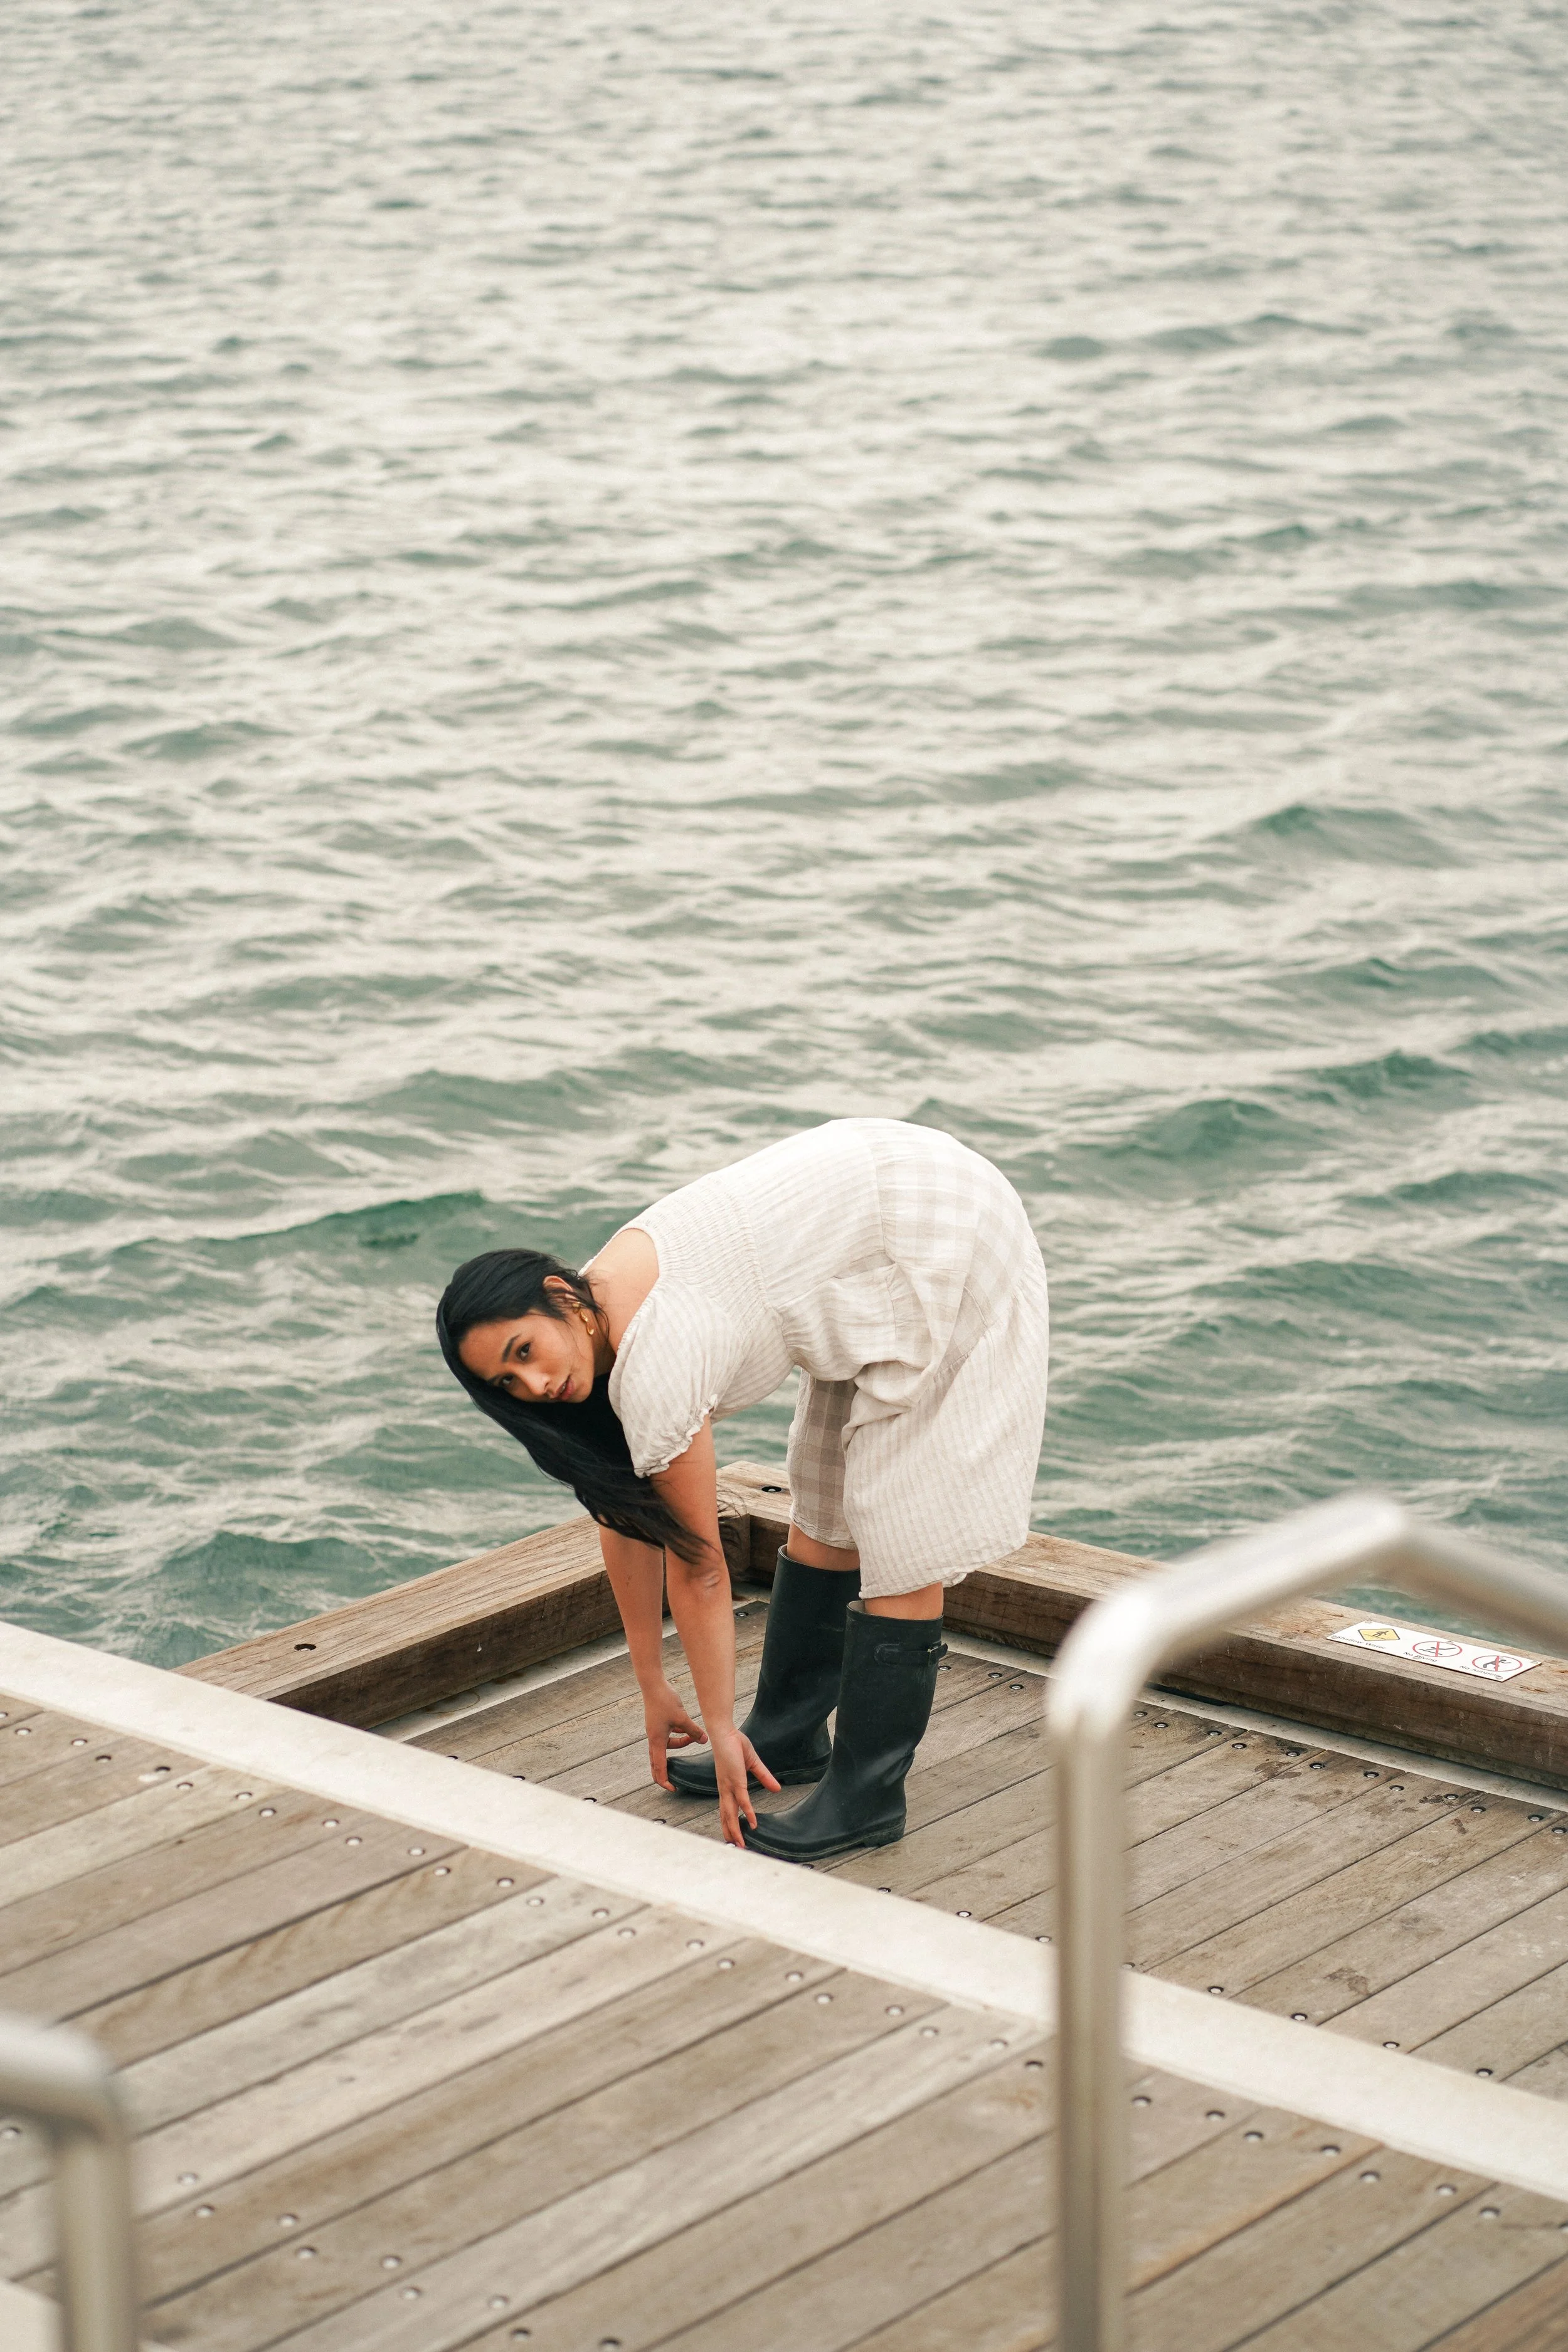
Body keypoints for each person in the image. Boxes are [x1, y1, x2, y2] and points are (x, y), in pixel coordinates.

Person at [437, 1118, 1049, 1858]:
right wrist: (650, 1682)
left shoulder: (655, 1349)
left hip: (938, 1225)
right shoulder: (594, 1315)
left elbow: (698, 1566)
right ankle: (788, 1737)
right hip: (861, 1221)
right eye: (509, 1382)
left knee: (899, 1523)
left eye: (524, 1352)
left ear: (558, 1295)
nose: (536, 1384)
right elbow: (629, 1519)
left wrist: (716, 1725)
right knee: (824, 1495)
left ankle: (868, 1796)